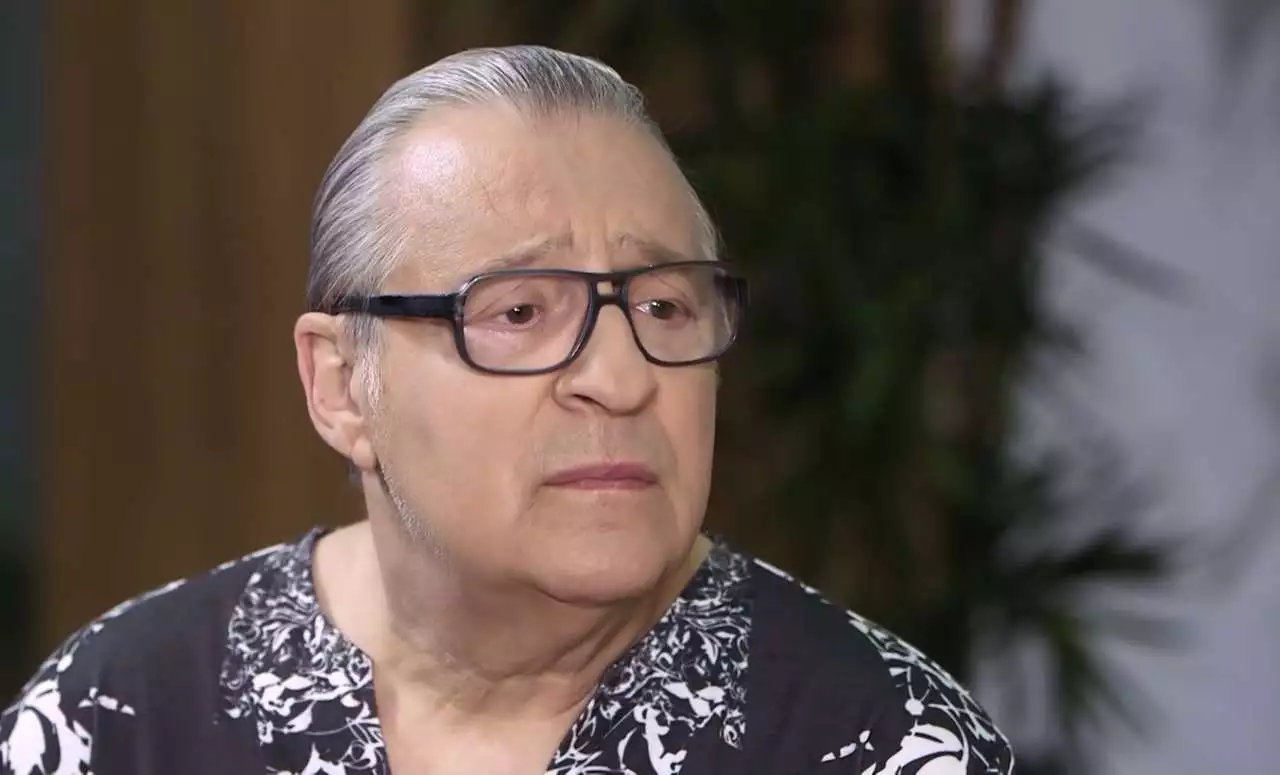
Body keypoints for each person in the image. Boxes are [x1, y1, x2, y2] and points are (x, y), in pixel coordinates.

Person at [0, 45, 1014, 775]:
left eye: (663, 307)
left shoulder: (882, 741)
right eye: (520, 311)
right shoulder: (120, 715)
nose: (619, 377)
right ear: (340, 384)